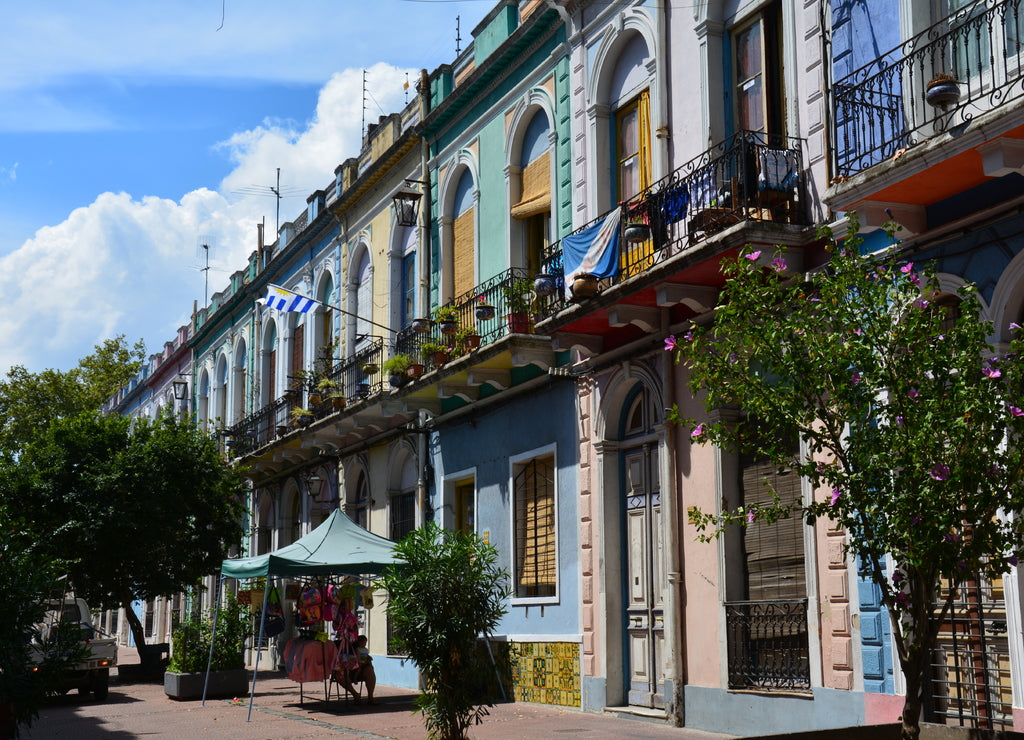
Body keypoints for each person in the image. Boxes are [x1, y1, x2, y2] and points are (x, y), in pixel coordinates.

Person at [336, 634, 376, 704]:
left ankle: (370, 697)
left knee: (369, 670)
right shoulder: (338, 645)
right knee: (341, 674)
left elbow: (364, 656)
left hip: (359, 668)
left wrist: (367, 660)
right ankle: (355, 694)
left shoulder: (359, 647)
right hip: (345, 668)